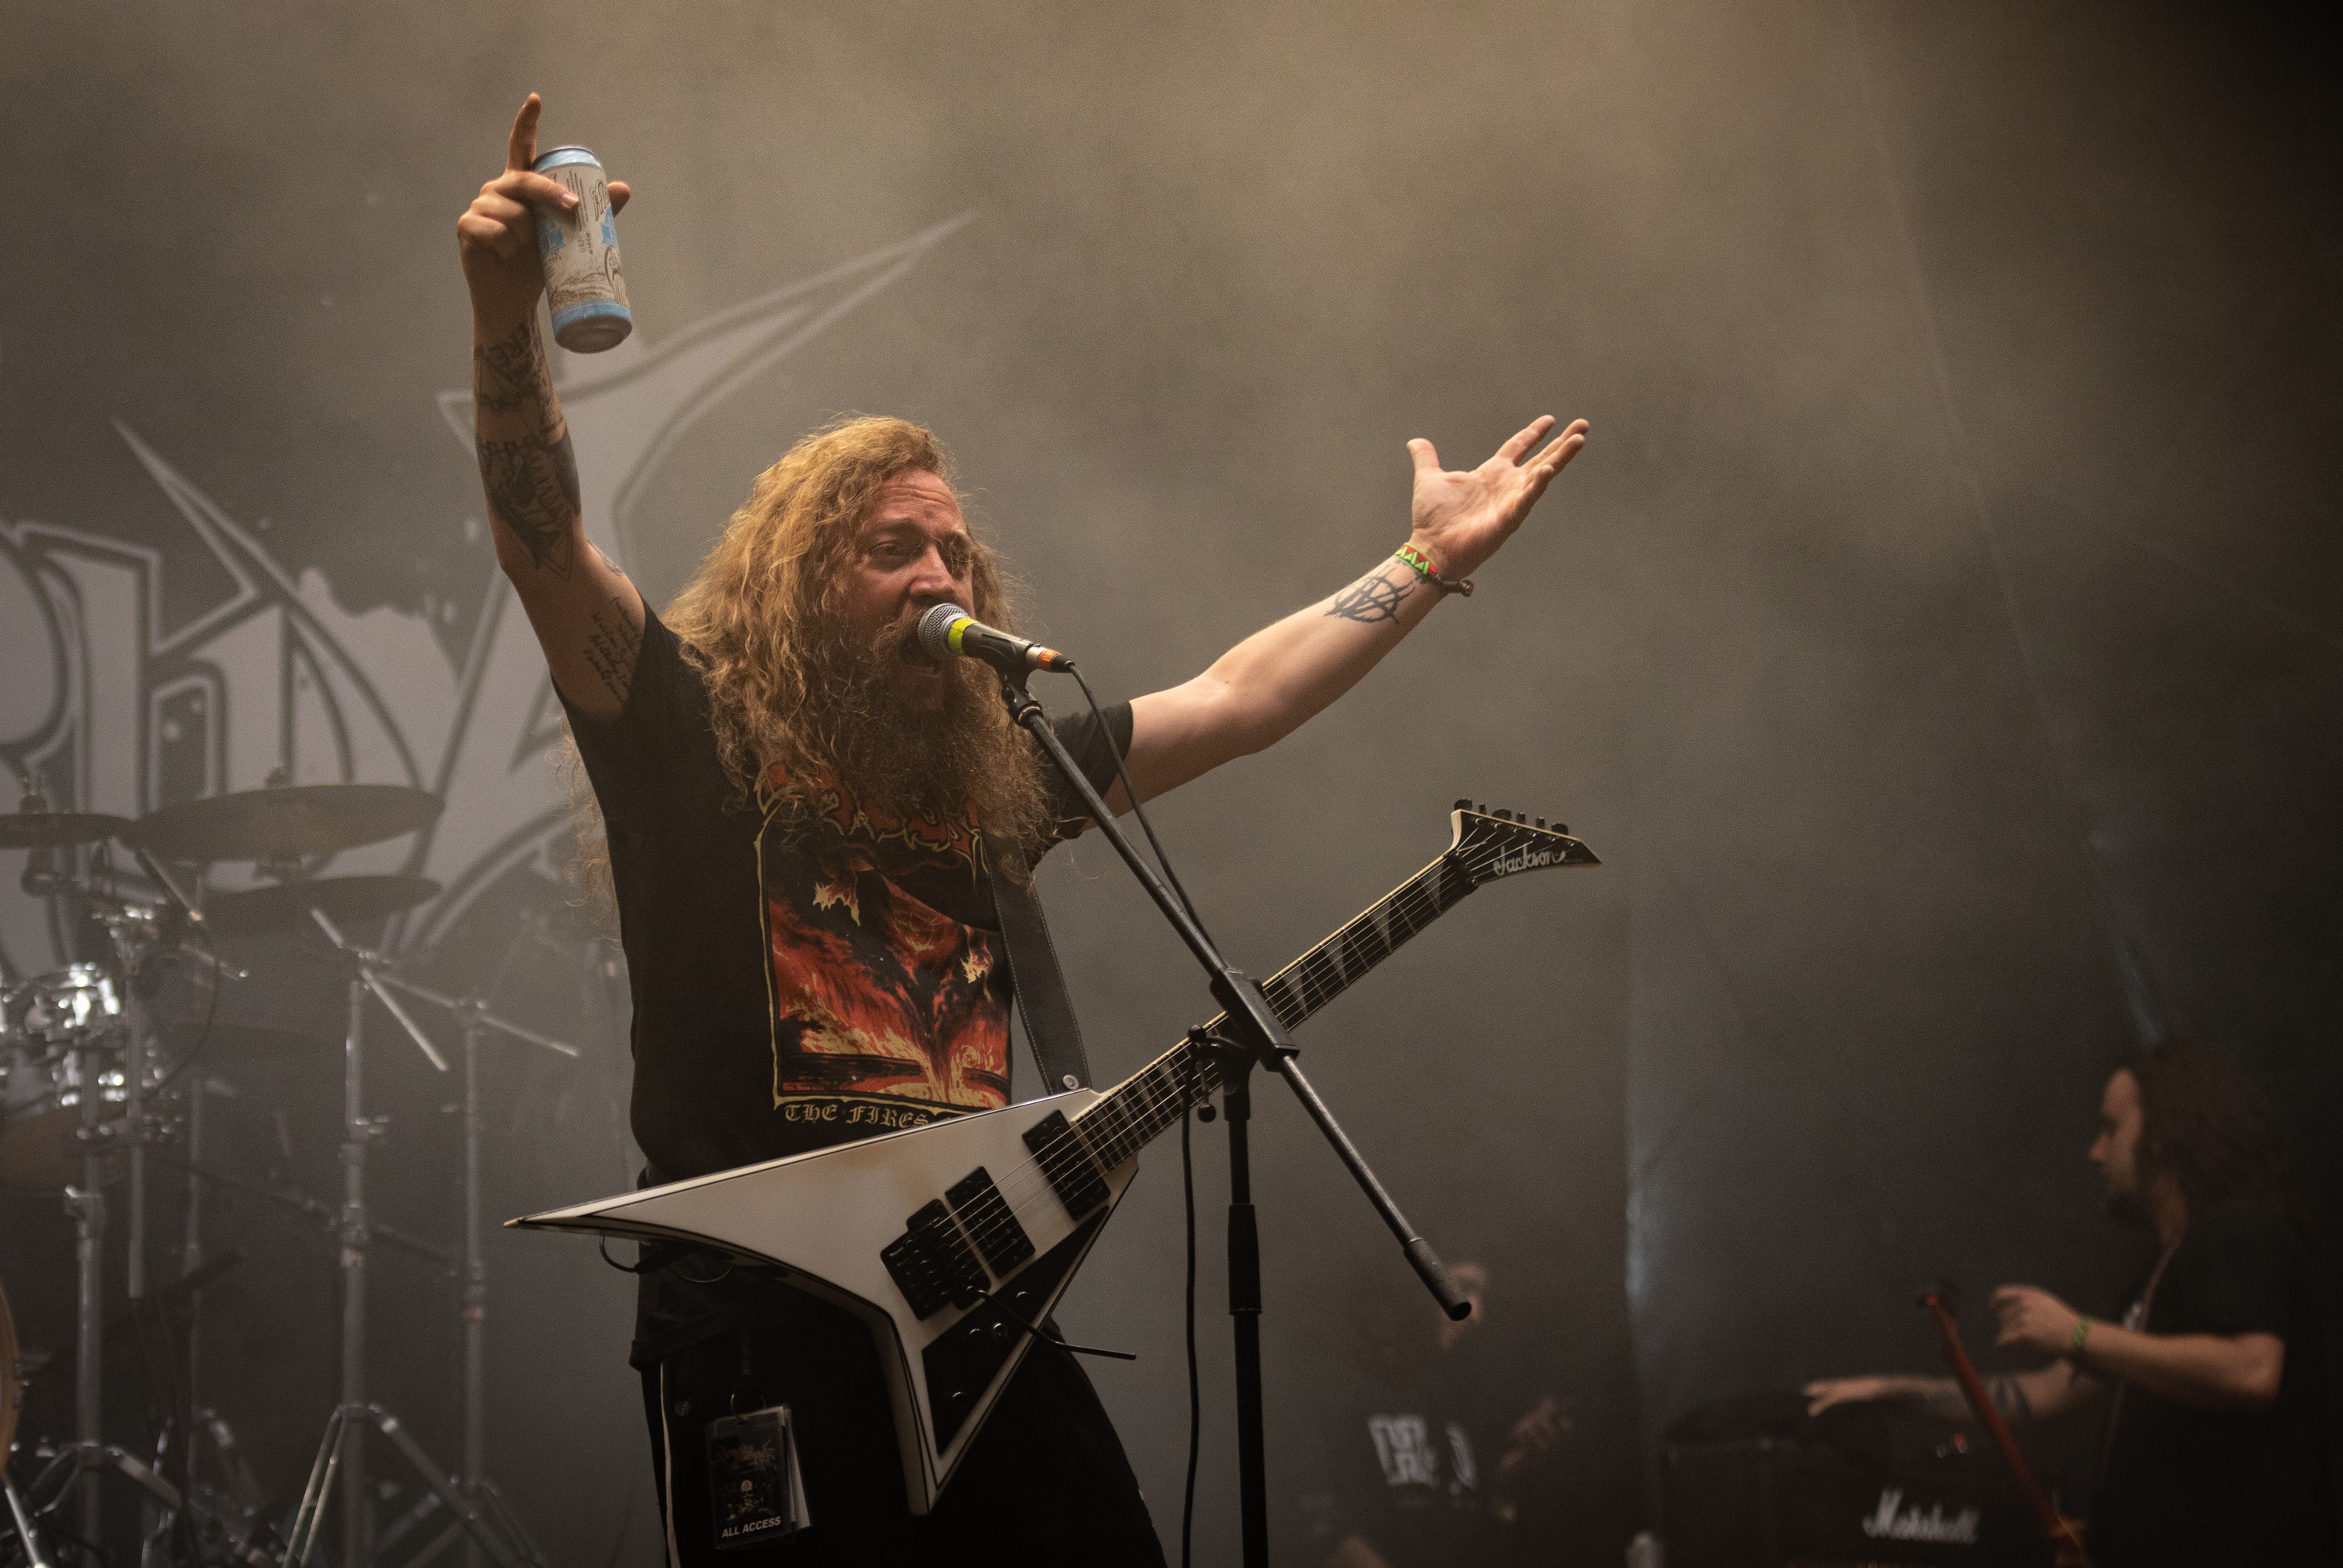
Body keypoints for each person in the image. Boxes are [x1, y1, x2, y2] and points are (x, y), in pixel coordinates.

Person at [456, 93, 1589, 1566]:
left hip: (975, 1319)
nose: (942, 573)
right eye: (893, 549)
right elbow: (545, 543)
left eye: (955, 549)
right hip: (765, 1327)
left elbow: (1239, 698)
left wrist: (1424, 562)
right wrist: (505, 319)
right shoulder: (692, 736)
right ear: (799, 582)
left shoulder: (998, 776)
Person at [1804, 1037, 2334, 1566]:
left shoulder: (2237, 1231)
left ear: (2162, 1136)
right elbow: (2040, 1395)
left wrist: (2076, 1331)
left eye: (2110, 1129)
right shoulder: (2162, 1268)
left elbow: (2251, 1371)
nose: (2095, 1152)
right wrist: (1886, 1392)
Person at [1305, 1260, 1577, 1568]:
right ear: (1414, 1280)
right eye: (1461, 1287)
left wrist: (1503, 1487)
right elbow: (1319, 1530)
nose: (1475, 1314)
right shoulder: (1339, 1393)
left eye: (1480, 1296)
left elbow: (1479, 1545)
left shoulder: (1459, 1406)